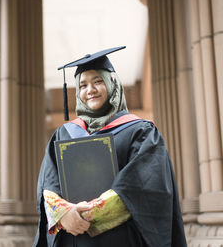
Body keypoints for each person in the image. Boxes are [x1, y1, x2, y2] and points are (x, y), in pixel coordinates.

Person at [33, 46, 187, 247]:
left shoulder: (140, 132)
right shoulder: (64, 134)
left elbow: (139, 187)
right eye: (83, 85)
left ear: (112, 83)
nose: (90, 90)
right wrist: (64, 214)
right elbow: (49, 186)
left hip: (119, 239)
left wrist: (84, 215)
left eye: (98, 81)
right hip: (73, 239)